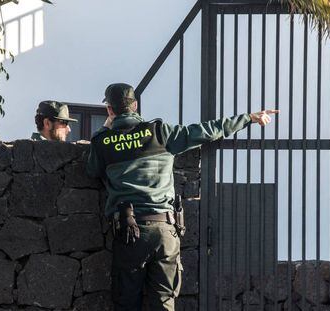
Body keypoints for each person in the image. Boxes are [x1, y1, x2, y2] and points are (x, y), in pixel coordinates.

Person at [86, 83, 279, 311]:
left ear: (109, 110)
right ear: (135, 105)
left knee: (126, 302)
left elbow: (92, 171)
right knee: (164, 302)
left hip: (129, 232)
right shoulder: (160, 132)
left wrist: (106, 131)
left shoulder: (101, 142)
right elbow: (205, 131)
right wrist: (248, 118)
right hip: (165, 230)